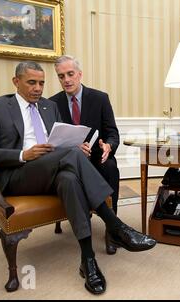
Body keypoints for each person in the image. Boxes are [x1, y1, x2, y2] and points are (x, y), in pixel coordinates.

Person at [0, 61, 156, 295]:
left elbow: (58, 142)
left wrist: (74, 146)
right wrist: (24, 154)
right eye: (32, 82)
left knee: (70, 180)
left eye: (42, 83)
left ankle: (88, 260)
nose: (38, 88)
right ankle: (116, 226)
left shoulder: (49, 107)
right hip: (17, 174)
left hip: (51, 170)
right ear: (16, 82)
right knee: (71, 158)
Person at [50, 55, 121, 255]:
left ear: (79, 74)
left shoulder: (100, 98)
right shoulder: (52, 103)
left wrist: (108, 145)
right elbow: (51, 141)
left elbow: (112, 132)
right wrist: (71, 149)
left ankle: (111, 228)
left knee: (110, 167)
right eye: (61, 76)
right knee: (68, 176)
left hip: (98, 158)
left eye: (70, 74)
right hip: (69, 162)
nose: (66, 80)